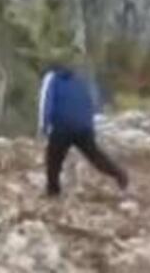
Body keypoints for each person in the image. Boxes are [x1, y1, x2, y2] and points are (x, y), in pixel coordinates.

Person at [38, 62, 129, 197]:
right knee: (95, 155)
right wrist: (89, 125)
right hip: (84, 126)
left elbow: (46, 103)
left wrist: (44, 128)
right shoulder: (78, 80)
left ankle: (53, 190)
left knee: (53, 158)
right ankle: (119, 174)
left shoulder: (51, 77)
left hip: (63, 125)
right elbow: (88, 102)